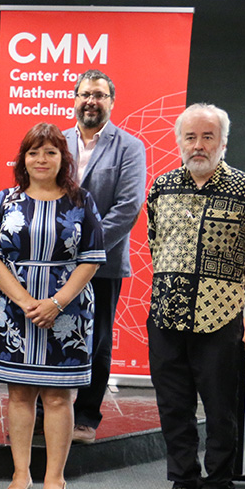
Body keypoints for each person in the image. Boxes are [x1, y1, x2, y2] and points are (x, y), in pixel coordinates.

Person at [142, 103, 245, 489]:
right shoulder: (163, 186)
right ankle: (183, 484)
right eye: (190, 137)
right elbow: (155, 239)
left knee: (221, 408)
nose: (198, 145)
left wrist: (232, 292)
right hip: (166, 314)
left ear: (223, 141)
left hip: (219, 317)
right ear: (179, 141)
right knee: (173, 405)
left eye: (208, 136)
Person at [0, 122, 104, 489]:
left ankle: (55, 479)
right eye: (34, 152)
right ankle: (21, 475)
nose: (41, 159)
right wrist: (23, 301)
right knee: (19, 394)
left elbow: (92, 258)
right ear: (24, 158)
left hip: (67, 313)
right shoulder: (6, 199)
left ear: (62, 158)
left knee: (57, 396)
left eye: (50, 152)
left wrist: (56, 302)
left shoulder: (82, 201)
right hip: (15, 314)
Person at [64, 69, 146, 444]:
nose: (91, 101)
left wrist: (87, 248)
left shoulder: (128, 146)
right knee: (52, 336)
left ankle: (85, 417)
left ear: (111, 102)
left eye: (99, 95)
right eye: (85, 94)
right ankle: (48, 409)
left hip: (102, 263)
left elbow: (128, 206)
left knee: (95, 340)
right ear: (75, 99)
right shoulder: (58, 141)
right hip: (54, 263)